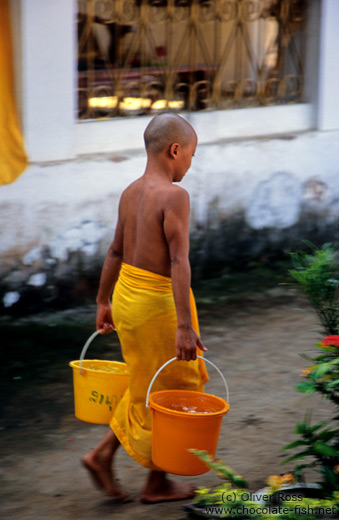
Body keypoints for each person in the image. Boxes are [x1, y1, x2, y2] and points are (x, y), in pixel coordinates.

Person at [82, 113, 209, 503]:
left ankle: (142, 473)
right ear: (175, 150)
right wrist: (184, 326)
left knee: (146, 384)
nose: (190, 163)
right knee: (170, 388)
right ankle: (125, 467)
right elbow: (178, 263)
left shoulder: (131, 191)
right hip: (158, 305)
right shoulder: (174, 196)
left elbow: (115, 251)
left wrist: (104, 301)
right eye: (190, 155)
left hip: (127, 298)